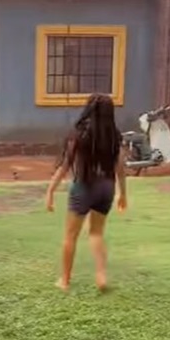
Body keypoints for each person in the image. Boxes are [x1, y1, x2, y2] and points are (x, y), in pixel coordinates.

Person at [44, 93, 128, 293]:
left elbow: (65, 166)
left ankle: (64, 280)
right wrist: (123, 194)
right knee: (96, 233)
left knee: (70, 236)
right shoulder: (114, 135)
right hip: (106, 187)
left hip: (83, 187)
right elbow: (120, 168)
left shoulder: (79, 134)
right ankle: (100, 275)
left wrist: (50, 192)